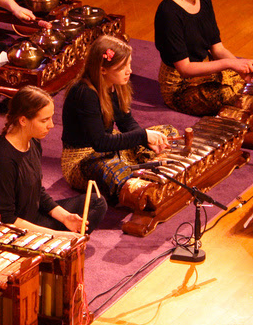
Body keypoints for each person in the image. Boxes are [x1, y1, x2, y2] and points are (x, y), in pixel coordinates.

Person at [0, 85, 107, 236]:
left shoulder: (33, 141)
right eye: (44, 120)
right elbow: (6, 220)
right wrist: (58, 235)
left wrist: (66, 218)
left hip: (31, 218)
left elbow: (37, 192)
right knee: (66, 234)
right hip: (8, 230)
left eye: (50, 118)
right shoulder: (1, 160)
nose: (51, 125)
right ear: (23, 120)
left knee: (96, 202)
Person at [61, 35, 176, 202]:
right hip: (83, 159)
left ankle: (143, 171)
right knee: (110, 169)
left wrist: (147, 140)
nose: (129, 70)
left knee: (166, 132)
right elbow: (100, 143)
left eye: (129, 64)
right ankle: (142, 186)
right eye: (122, 67)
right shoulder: (84, 93)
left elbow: (126, 122)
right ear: (102, 69)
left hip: (110, 147)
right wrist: (142, 136)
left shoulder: (116, 85)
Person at [154, 0, 253, 116]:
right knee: (228, 95)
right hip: (181, 85)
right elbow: (185, 68)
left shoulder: (204, 1)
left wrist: (241, 67)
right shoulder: (168, 12)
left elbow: (217, 49)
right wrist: (230, 64)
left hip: (207, 71)